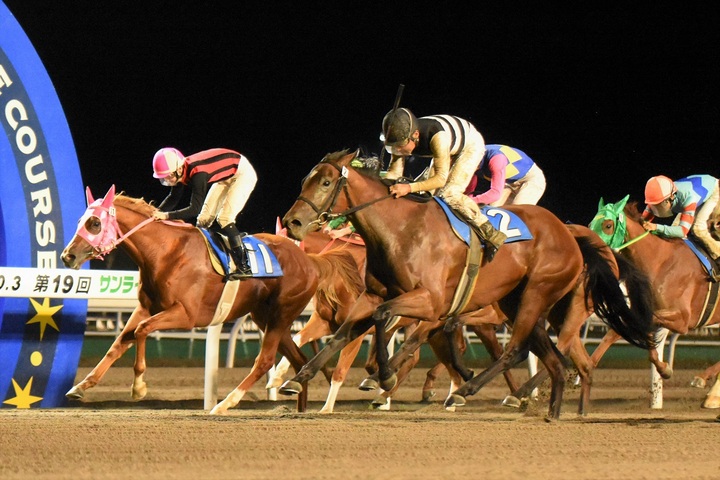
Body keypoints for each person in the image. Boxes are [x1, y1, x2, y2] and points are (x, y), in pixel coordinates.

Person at [381, 107, 506, 260]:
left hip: (470, 145)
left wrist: (408, 187)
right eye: (393, 146)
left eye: (401, 146)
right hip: (447, 145)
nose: (397, 150)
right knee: (422, 193)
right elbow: (394, 174)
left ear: (415, 135)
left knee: (450, 194)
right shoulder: (401, 138)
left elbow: (440, 178)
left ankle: (491, 234)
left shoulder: (436, 136)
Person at [152, 147, 258, 280]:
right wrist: (155, 212)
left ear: (178, 170)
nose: (167, 180)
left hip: (243, 174)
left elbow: (194, 209)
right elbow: (173, 198)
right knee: (203, 220)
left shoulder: (198, 174)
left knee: (224, 218)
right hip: (227, 175)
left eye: (168, 176)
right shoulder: (180, 170)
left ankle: (244, 267)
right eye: (164, 178)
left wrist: (167, 216)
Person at [641, 174, 720, 267]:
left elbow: (682, 231)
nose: (658, 209)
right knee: (673, 229)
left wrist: (656, 227)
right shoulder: (662, 196)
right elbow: (645, 218)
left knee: (698, 229)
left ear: (671, 197)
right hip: (695, 191)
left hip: (714, 190)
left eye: (660, 205)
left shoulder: (689, 199)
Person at [464, 144, 546, 206]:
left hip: (530, 179)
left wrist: (471, 201)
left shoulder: (496, 160)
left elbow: (495, 194)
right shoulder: (471, 161)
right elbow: (468, 189)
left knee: (516, 212)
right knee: (492, 211)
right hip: (508, 182)